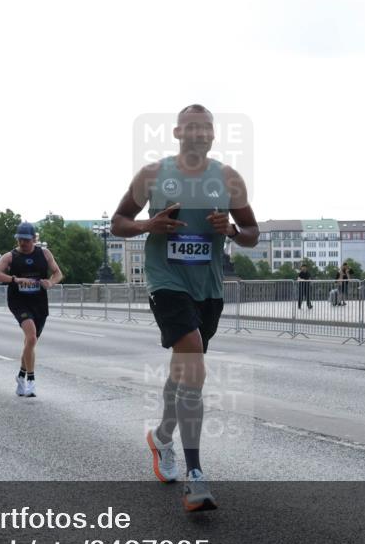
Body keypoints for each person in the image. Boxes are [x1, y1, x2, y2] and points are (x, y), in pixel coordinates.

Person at [111, 104, 259, 512]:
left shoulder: (228, 178)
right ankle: (195, 475)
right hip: (166, 281)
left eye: (205, 127)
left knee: (184, 368)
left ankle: (160, 438)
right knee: (192, 355)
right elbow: (118, 221)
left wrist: (229, 229)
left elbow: (252, 233)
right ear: (177, 132)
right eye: (191, 126)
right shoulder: (153, 175)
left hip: (208, 288)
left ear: (213, 135)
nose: (198, 133)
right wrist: (148, 225)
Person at [0, 222, 64, 398]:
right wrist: (15, 279)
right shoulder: (11, 256)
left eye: (26, 240)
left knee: (31, 342)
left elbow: (58, 273)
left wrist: (50, 282)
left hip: (39, 302)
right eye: (20, 240)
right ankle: (31, 380)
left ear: (34, 239)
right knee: (30, 336)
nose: (23, 243)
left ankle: (20, 376)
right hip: (19, 301)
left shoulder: (44, 253)